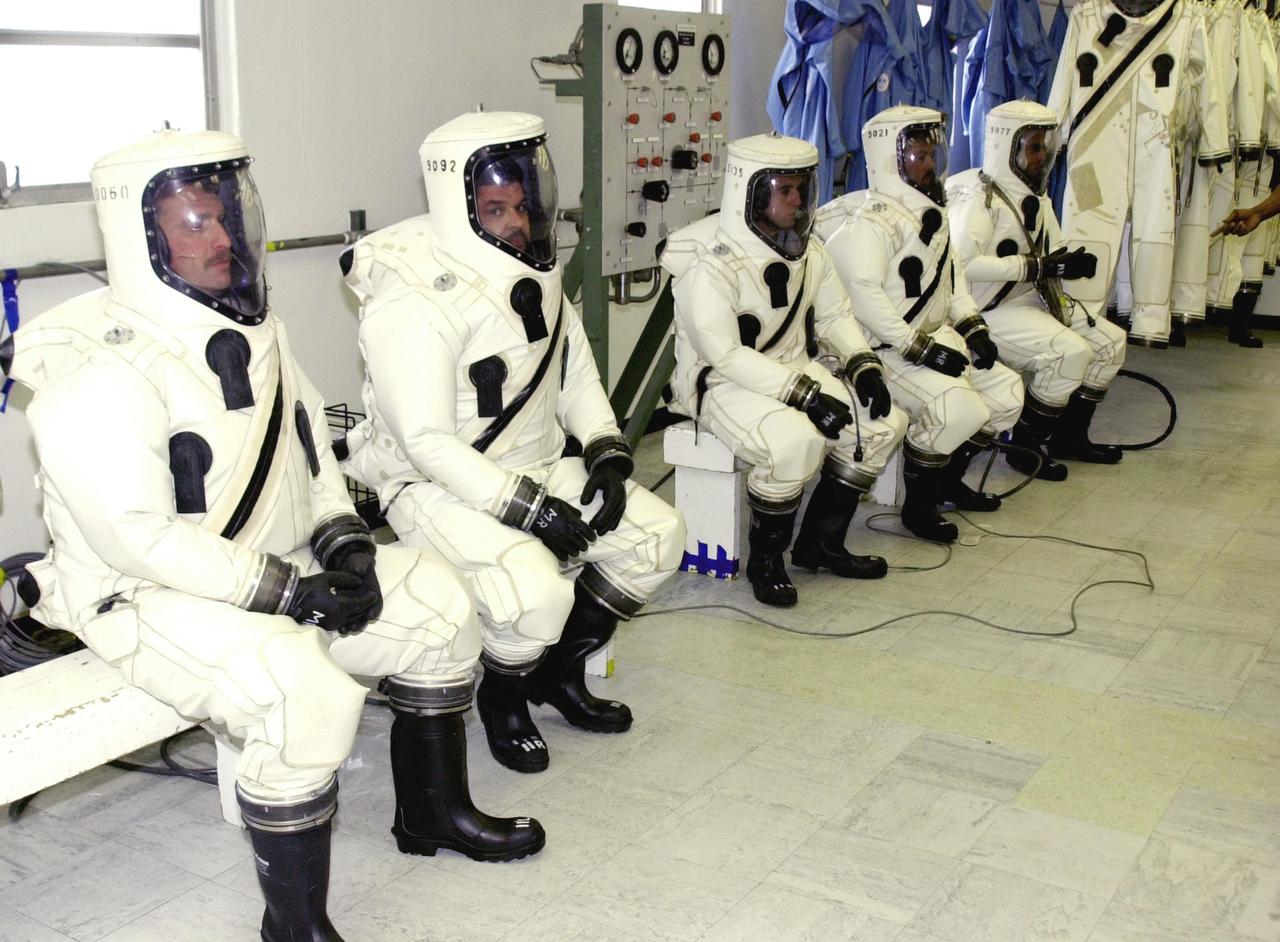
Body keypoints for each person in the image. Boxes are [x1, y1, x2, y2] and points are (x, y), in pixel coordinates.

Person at [1, 129, 546, 942]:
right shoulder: (97, 367)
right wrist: (291, 592)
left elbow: (311, 453)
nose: (222, 237)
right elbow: (135, 540)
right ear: (142, 236)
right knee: (300, 690)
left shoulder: (264, 329)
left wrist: (345, 546)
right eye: (194, 223)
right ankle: (293, 924)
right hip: (147, 598)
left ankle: (433, 814)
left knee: (438, 601)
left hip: (276, 568)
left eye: (227, 215)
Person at [341, 111, 685, 775]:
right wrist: (528, 510)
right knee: (535, 593)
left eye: (524, 206)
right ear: (460, 206)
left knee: (656, 537)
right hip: (434, 489)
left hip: (536, 466)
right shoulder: (413, 300)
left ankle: (555, 674)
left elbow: (574, 372)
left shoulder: (537, 271)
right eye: (496, 209)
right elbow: (425, 440)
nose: (518, 223)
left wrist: (605, 451)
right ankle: (503, 699)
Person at [662, 133, 907, 607]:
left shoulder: (809, 253)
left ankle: (820, 544)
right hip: (722, 385)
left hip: (793, 371)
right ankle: (766, 561)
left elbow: (834, 317)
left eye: (802, 190)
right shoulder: (710, 265)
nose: (797, 202)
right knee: (794, 444)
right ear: (751, 193)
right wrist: (806, 396)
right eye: (785, 191)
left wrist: (863, 364)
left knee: (882, 425)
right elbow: (725, 355)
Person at [814, 105, 1025, 544]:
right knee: (959, 411)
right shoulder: (869, 223)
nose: (930, 164)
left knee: (1006, 395)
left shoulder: (933, 214)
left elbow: (952, 279)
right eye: (919, 156)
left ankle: (945, 482)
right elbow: (864, 298)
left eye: (933, 155)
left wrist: (972, 327)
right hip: (884, 352)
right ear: (890, 159)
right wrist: (917, 347)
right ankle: (919, 506)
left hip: (933, 341)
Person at [947, 100, 1127, 476]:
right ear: (1006, 146)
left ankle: (1069, 437)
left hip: (1029, 301)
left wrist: (1069, 262)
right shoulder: (980, 199)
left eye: (1045, 146)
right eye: (1033, 147)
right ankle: (1024, 447)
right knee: (1069, 353)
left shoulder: (1036, 196)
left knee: (1110, 343)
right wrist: (1032, 267)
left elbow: (1052, 250)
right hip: (985, 312)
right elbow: (962, 264)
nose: (1042, 156)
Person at [1046, 0, 1228, 348]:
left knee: (1154, 229)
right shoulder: (1087, 14)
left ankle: (1147, 319)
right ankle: (1080, 318)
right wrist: (1055, 133)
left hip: (1153, 142)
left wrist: (1214, 140)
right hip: (1095, 147)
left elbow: (1209, 83)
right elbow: (1066, 73)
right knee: (1088, 228)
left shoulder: (1185, 16)